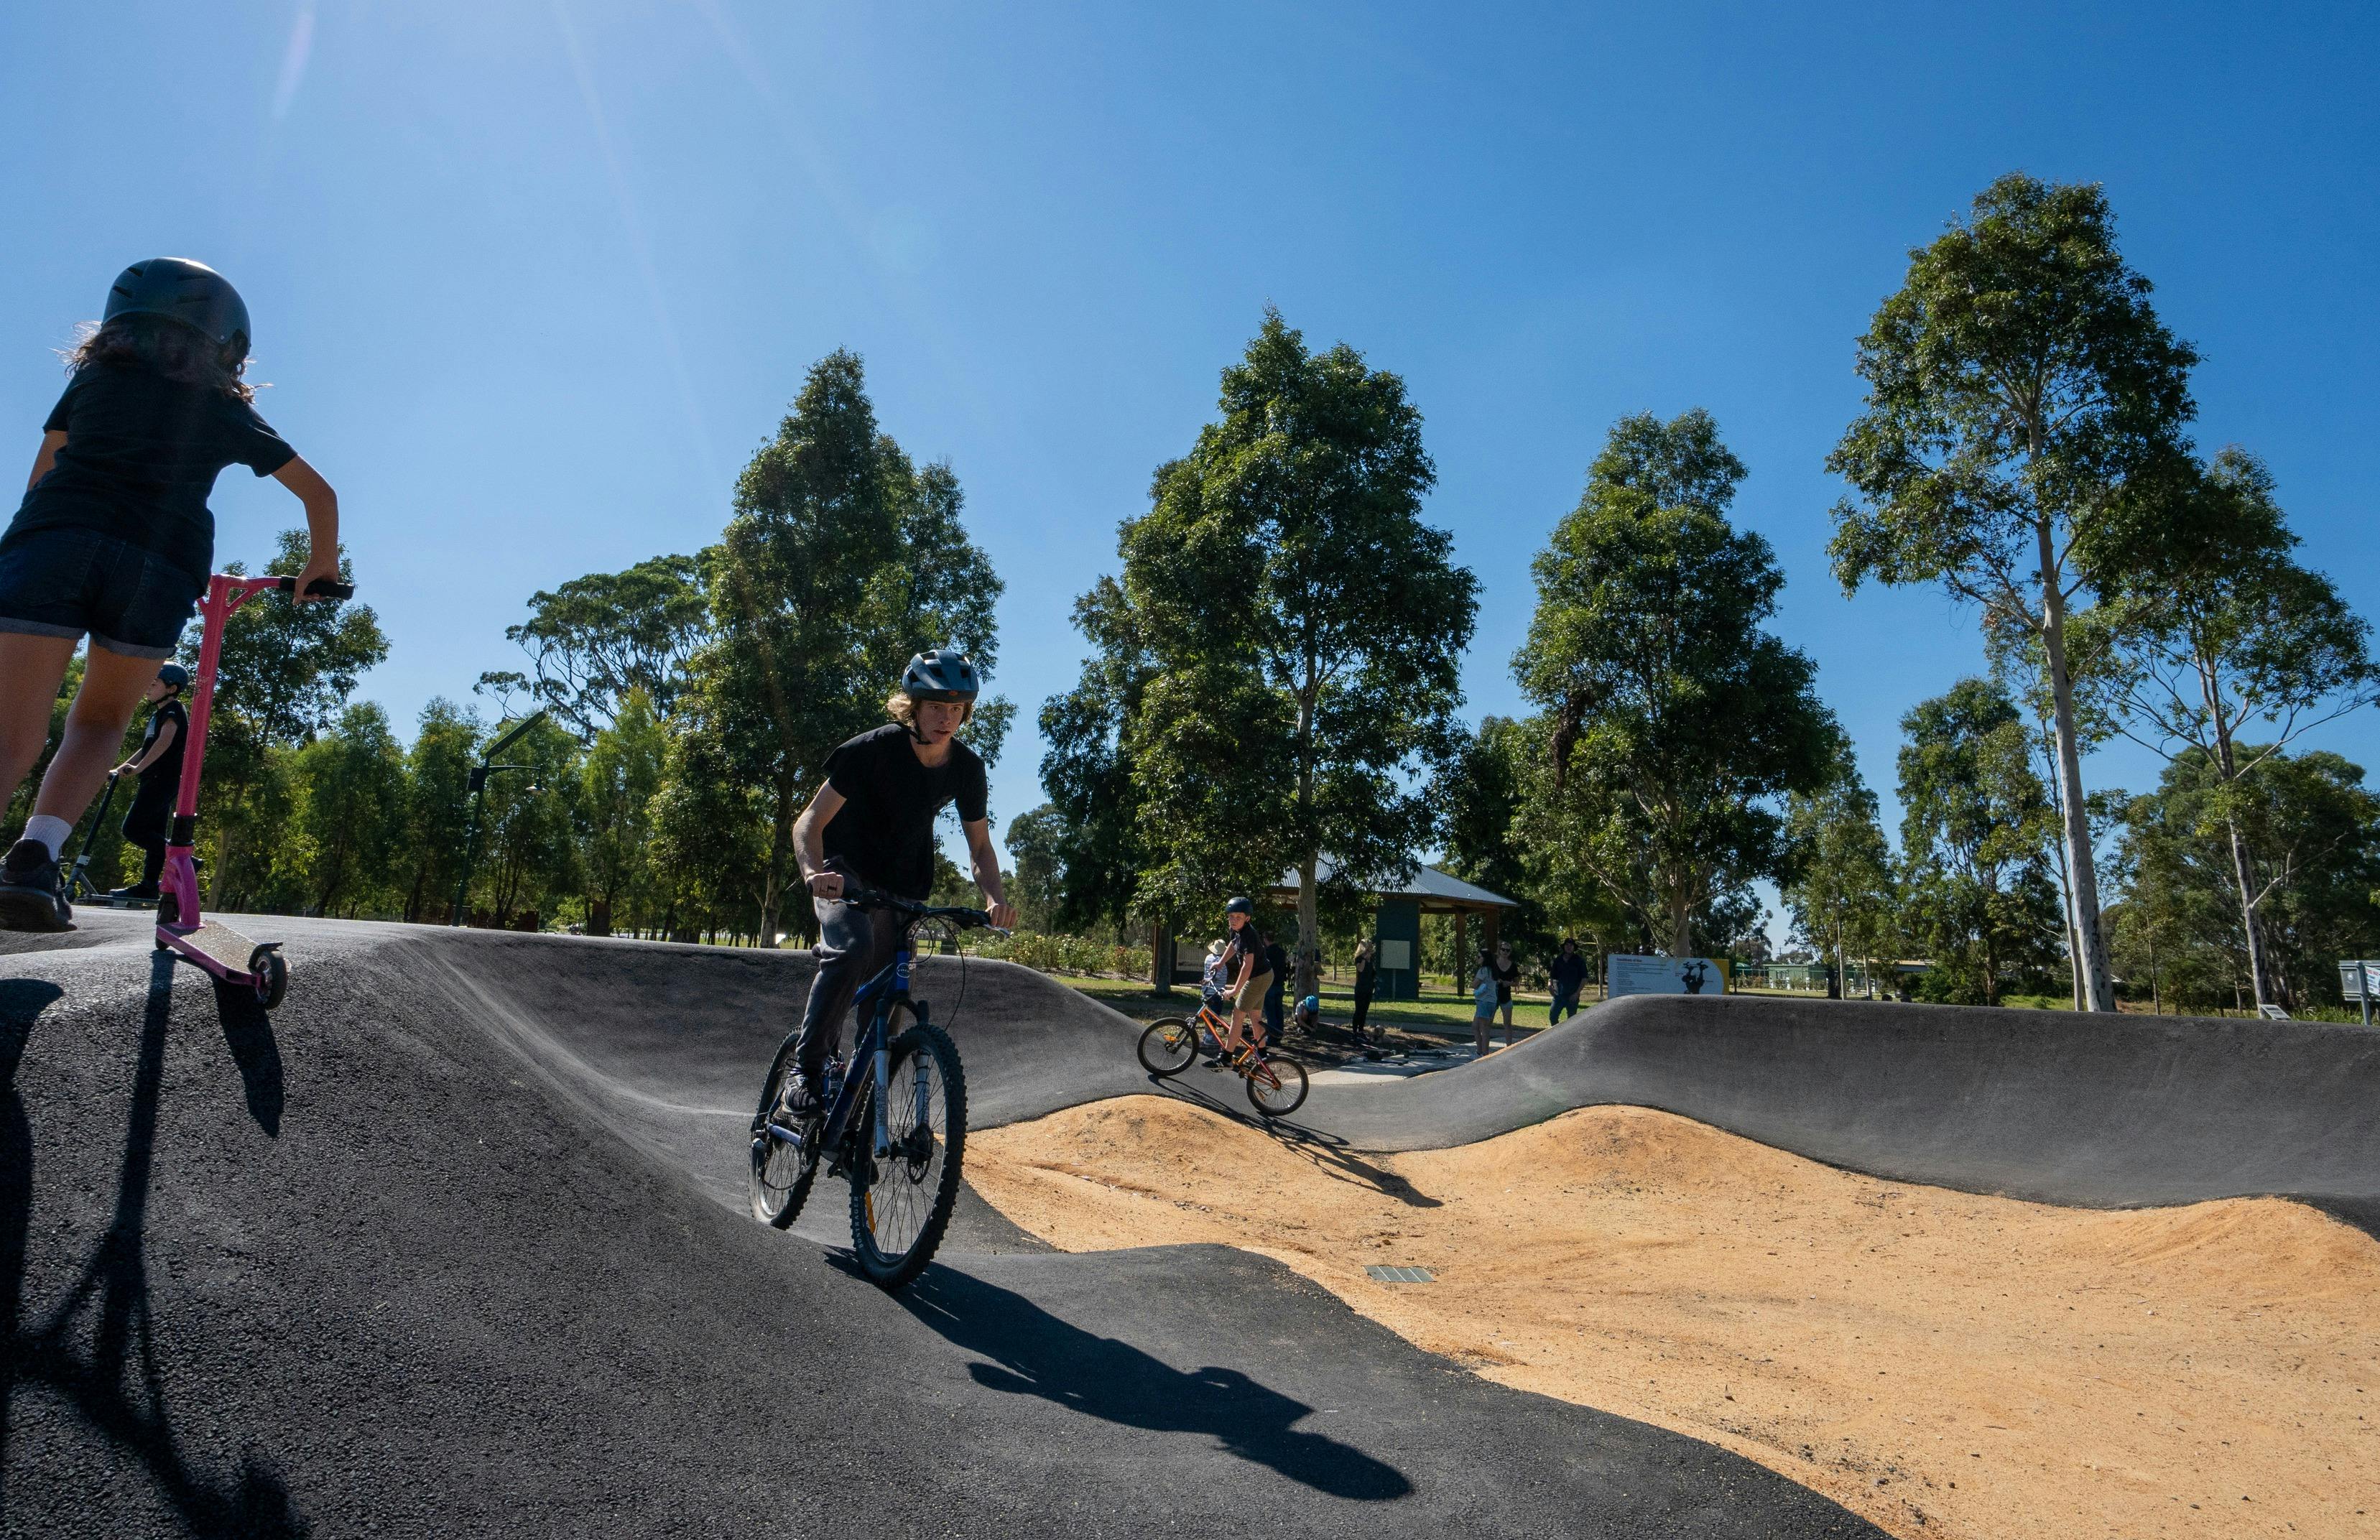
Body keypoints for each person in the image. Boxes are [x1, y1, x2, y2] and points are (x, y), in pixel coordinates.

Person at [0, 259, 341, 932]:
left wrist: (30, 546)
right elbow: (319, 494)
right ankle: (35, 859)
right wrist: (319, 569)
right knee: (98, 723)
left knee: (12, 731)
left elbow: (44, 472)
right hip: (157, 569)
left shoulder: (95, 380)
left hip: (52, 545)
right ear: (230, 345)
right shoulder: (222, 408)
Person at [775, 649, 1018, 1115]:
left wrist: (994, 899)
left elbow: (981, 848)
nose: (945, 718)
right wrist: (813, 872)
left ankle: (856, 1107)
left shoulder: (967, 768)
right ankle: (806, 1066)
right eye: (934, 707)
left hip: (904, 887)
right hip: (844, 874)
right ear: (913, 706)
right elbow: (808, 822)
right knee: (852, 949)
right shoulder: (872, 750)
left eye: (955, 709)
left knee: (887, 1000)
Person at [107, 662, 190, 902]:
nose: (148, 687)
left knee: (133, 829)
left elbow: (165, 741)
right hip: (153, 778)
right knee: (154, 834)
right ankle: (148, 885)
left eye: (154, 684)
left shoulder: (174, 710)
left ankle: (186, 860)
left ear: (172, 688)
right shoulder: (159, 713)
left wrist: (138, 769)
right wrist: (123, 767)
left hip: (162, 779)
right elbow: (147, 747)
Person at [1211, 896, 1271, 1064]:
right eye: (1231, 916)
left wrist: (1235, 990)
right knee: (1255, 1016)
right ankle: (1263, 1054)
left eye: (1238, 917)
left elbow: (1247, 966)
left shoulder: (1248, 935)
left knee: (1237, 1014)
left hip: (1258, 977)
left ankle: (1227, 1056)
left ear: (1247, 918)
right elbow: (1233, 944)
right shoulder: (1235, 930)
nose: (1234, 920)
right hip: (1263, 975)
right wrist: (1220, 963)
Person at [1547, 936, 1589, 1024]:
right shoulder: (1558, 960)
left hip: (1572, 995)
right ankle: (1556, 1035)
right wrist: (1550, 985)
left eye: (1571, 945)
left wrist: (1577, 993)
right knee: (1553, 1016)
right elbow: (1552, 976)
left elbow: (1584, 978)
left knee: (1571, 1022)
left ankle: (1568, 1037)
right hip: (1559, 995)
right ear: (1564, 947)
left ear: (1574, 947)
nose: (1569, 947)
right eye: (1567, 945)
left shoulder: (1579, 961)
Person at [1349, 937, 1378, 1047]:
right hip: (1361, 988)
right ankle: (1355, 1032)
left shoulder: (1372, 959)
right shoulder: (1359, 958)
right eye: (1369, 946)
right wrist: (1365, 959)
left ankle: (1361, 1031)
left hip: (1369, 988)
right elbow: (1360, 969)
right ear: (1364, 947)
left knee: (1365, 1010)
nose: (1371, 948)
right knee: (1359, 1010)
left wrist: (1375, 980)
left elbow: (1373, 973)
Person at [1261, 934, 1289, 1048]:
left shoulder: (1266, 953)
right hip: (1280, 985)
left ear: (1265, 939)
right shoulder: (1282, 952)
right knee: (1279, 1011)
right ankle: (1279, 1034)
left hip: (1270, 985)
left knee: (1270, 1012)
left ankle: (1272, 1037)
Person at [1491, 940, 1521, 1037]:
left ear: (1510, 952)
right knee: (1488, 1023)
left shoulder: (1513, 966)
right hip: (1492, 996)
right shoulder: (1493, 963)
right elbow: (1487, 978)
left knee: (1507, 1024)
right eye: (1503, 949)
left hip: (1506, 997)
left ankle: (1509, 1048)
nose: (1505, 952)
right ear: (1500, 950)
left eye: (1508, 950)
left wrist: (1509, 983)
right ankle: (1483, 1049)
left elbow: (1517, 983)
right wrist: (1496, 981)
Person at [1471, 953, 1499, 1059]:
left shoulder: (1483, 970)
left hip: (1483, 1002)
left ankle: (1485, 1054)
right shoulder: (1493, 970)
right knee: (1475, 1027)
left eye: (1479, 957)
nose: (1477, 959)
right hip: (1491, 1002)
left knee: (1484, 1029)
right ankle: (1479, 1051)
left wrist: (1471, 984)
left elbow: (1475, 984)